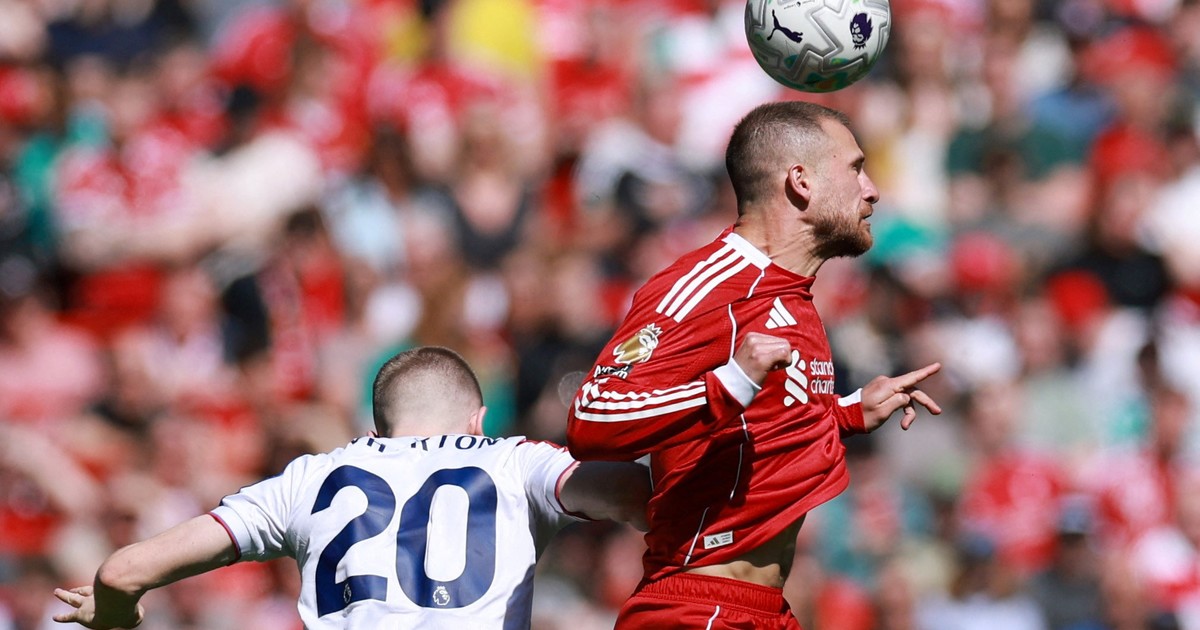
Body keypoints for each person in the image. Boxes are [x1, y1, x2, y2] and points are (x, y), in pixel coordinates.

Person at [566, 100, 942, 629]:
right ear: (801, 181)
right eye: (856, 168)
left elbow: (753, 425)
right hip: (698, 606)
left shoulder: (796, 298)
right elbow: (593, 415)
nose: (872, 189)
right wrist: (728, 383)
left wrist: (847, 413)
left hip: (765, 611)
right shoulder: (710, 285)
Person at [54, 346, 651, 629]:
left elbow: (121, 573)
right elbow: (628, 495)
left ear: (374, 432)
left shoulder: (309, 479)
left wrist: (117, 616)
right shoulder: (515, 461)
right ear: (478, 421)